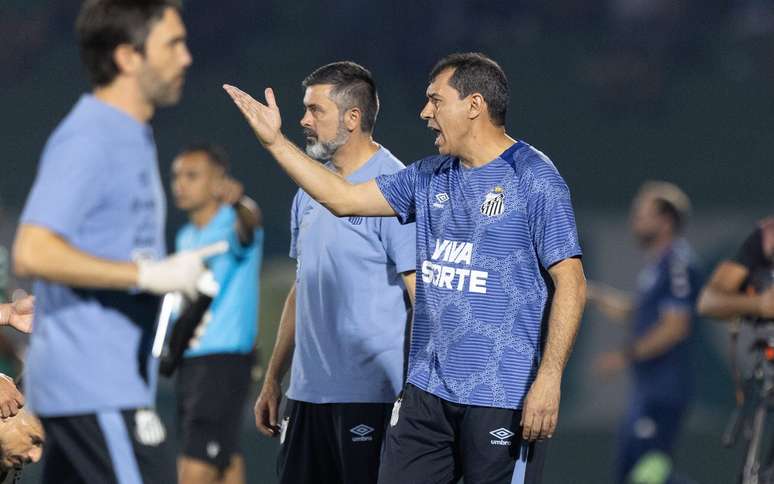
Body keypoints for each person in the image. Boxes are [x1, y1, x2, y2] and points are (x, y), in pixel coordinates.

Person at [225, 52, 586, 484]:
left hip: (500, 393)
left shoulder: (533, 177)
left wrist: (549, 378)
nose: (425, 112)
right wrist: (274, 143)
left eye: (435, 100)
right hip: (425, 396)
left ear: (474, 105)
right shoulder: (427, 176)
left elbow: (572, 283)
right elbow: (343, 199)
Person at [11, 1, 211, 482]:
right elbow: (32, 249)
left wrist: (163, 300)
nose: (186, 57)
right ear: (127, 57)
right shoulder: (92, 135)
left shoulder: (131, 136)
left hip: (102, 382)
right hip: (95, 387)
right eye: (173, 44)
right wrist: (148, 275)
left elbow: (111, 257)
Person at [251, 61, 416, 484]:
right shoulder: (310, 189)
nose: (303, 120)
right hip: (304, 397)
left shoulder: (394, 187)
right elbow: (301, 287)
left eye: (315, 110)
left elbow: (423, 300)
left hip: (370, 397)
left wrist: (416, 395)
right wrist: (274, 379)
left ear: (353, 117)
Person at [587, 181, 700, 483]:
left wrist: (623, 356)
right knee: (633, 471)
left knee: (649, 473)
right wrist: (593, 295)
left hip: (664, 391)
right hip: (647, 390)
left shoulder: (677, 263)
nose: (634, 220)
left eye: (642, 213)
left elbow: (675, 326)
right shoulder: (657, 267)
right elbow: (639, 314)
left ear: (664, 221)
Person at [171, 143, 263, 484]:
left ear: (217, 182)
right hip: (192, 361)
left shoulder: (233, 221)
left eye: (192, 176)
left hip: (223, 361)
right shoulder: (185, 236)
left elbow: (251, 223)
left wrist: (240, 201)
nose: (180, 184)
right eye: (177, 176)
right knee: (224, 460)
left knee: (195, 464)